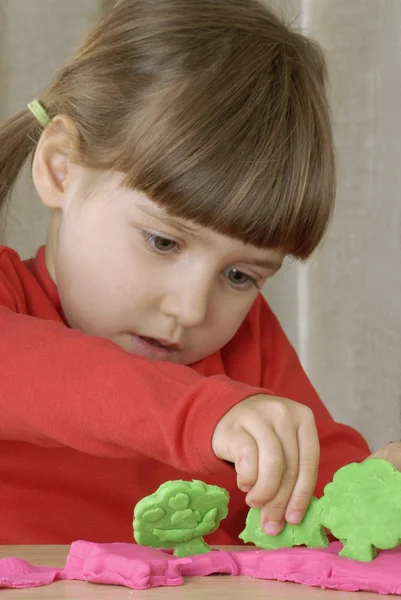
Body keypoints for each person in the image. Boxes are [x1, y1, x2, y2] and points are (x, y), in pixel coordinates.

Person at [0, 0, 393, 547]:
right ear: (61, 166)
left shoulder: (246, 349)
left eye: (239, 276)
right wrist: (202, 416)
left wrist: (376, 492)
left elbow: (321, 513)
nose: (191, 309)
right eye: (163, 241)